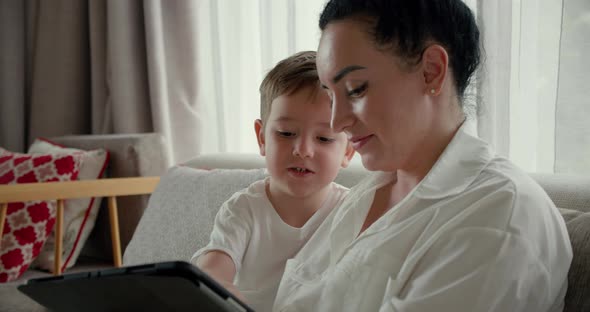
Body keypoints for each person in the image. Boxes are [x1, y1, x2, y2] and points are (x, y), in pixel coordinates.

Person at [272, 1, 572, 311]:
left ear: (431, 71)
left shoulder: (501, 216)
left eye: (356, 89)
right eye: (330, 95)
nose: (337, 122)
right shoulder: (366, 195)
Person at [192, 51, 355, 312]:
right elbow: (215, 265)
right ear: (262, 138)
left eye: (323, 138)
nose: (303, 150)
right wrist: (217, 284)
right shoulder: (244, 209)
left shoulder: (354, 209)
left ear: (348, 151)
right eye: (286, 133)